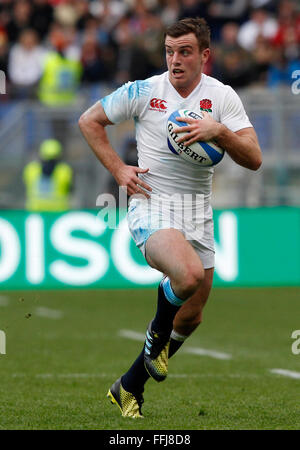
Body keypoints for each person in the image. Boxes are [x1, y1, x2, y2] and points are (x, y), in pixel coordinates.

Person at [79, 17, 262, 419]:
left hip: (198, 211)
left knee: (193, 315)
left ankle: (128, 385)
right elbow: (89, 120)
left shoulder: (223, 97)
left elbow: (254, 159)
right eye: (169, 51)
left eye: (184, 52)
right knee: (187, 275)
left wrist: (220, 133)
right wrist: (118, 170)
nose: (175, 60)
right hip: (152, 203)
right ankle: (155, 336)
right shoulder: (145, 91)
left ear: (204, 56)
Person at [23, 138, 73, 211]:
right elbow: (70, 189)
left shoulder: (30, 169)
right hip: (58, 211)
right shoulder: (65, 170)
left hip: (35, 210)